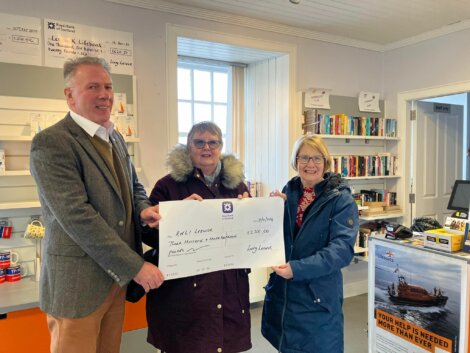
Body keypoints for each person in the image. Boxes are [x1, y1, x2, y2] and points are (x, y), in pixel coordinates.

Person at [30, 56, 165, 353]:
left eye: (108, 86)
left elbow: (133, 186)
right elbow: (78, 217)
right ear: (70, 95)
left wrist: (142, 208)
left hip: (113, 282)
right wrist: (136, 266)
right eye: (93, 86)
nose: (104, 94)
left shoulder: (114, 136)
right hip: (78, 287)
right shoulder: (52, 142)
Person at [146, 121, 252, 353]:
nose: (207, 148)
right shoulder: (167, 186)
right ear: (188, 146)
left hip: (228, 286)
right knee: (185, 345)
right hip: (184, 290)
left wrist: (252, 212)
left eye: (213, 142)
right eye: (199, 142)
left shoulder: (237, 185)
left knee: (225, 344)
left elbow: (247, 237)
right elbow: (147, 233)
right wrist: (176, 214)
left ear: (221, 147)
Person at [261, 134, 359, 353]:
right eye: (303, 158)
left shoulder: (340, 199)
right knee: (287, 346)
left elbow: (341, 251)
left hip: (317, 296)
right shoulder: (289, 191)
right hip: (286, 294)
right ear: (295, 162)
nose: (310, 164)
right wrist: (272, 210)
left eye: (316, 158)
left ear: (326, 162)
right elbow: (285, 238)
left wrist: (297, 268)